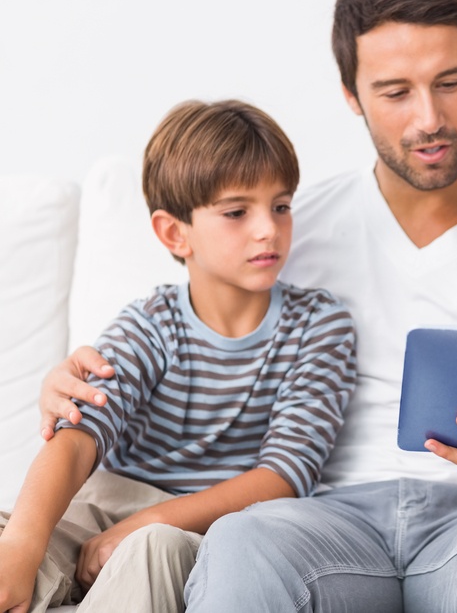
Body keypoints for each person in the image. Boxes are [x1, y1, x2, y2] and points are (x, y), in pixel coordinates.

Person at [38, 0, 457, 613]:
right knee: (241, 541)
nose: (429, 117)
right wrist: (74, 379)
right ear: (352, 94)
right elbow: (190, 326)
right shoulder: (288, 230)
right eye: (394, 92)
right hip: (324, 520)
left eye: (450, 82)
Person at [0, 99, 357, 613]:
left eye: (280, 206)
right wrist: (22, 546)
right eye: (238, 212)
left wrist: (150, 522)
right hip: (108, 501)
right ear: (174, 232)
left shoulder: (318, 325)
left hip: (209, 526)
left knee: (151, 550)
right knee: (14, 533)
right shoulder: (151, 322)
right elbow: (79, 437)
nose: (268, 229)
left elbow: (285, 474)